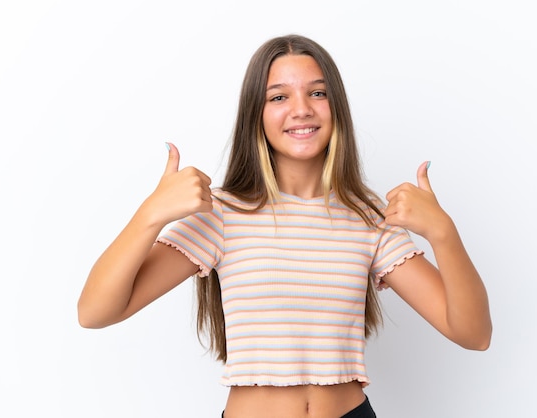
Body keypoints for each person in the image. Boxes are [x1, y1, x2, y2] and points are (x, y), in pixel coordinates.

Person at [77, 34, 492, 418]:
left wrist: (443, 232)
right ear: (256, 115)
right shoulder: (220, 214)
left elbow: (474, 334)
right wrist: (149, 215)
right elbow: (95, 313)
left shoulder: (367, 217)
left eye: (317, 92)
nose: (301, 109)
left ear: (336, 108)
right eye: (279, 96)